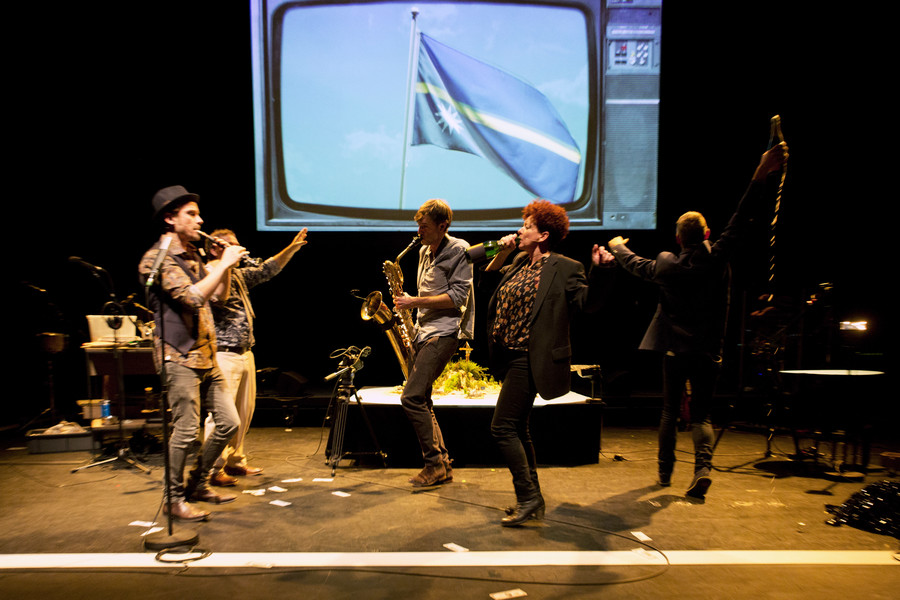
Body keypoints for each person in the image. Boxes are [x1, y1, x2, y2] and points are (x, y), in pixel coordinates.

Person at [607, 141, 789, 500]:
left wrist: (617, 246)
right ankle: (702, 470)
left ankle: (664, 473)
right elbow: (741, 217)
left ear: (678, 238)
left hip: (674, 352)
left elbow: (635, 264)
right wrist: (761, 171)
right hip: (707, 351)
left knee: (668, 411)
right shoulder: (716, 257)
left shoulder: (665, 266)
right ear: (706, 234)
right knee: (702, 416)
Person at [483, 199, 615, 526]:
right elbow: (487, 281)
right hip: (509, 355)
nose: (520, 230)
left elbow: (588, 303)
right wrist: (500, 251)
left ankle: (528, 497)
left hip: (530, 358)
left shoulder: (565, 267)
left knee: (502, 427)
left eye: (527, 226)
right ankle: (533, 498)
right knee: (518, 427)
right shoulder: (518, 262)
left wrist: (601, 270)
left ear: (543, 235)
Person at [138, 185, 247, 522]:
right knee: (186, 431)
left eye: (198, 214)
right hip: (178, 356)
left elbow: (218, 298)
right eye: (191, 214)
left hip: (206, 354)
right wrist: (223, 263)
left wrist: (225, 266)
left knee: (229, 423)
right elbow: (192, 298)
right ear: (170, 219)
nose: (200, 220)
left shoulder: (193, 256)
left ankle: (196, 484)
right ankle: (173, 500)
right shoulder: (157, 259)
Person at [203, 227, 308, 487]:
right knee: (222, 416)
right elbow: (219, 298)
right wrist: (226, 265)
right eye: (233, 245)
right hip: (223, 354)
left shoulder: (238, 274)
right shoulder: (208, 273)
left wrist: (292, 248)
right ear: (215, 248)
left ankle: (234, 460)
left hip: (244, 352)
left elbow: (268, 269)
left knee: (243, 413)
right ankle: (212, 468)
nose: (240, 249)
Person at [393, 199, 474, 487]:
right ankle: (442, 464)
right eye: (418, 225)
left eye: (424, 226)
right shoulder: (424, 252)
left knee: (411, 397)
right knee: (423, 399)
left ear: (443, 226)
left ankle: (433, 464)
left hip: (444, 333)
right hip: (423, 332)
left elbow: (458, 297)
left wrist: (413, 301)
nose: (419, 231)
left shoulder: (459, 250)